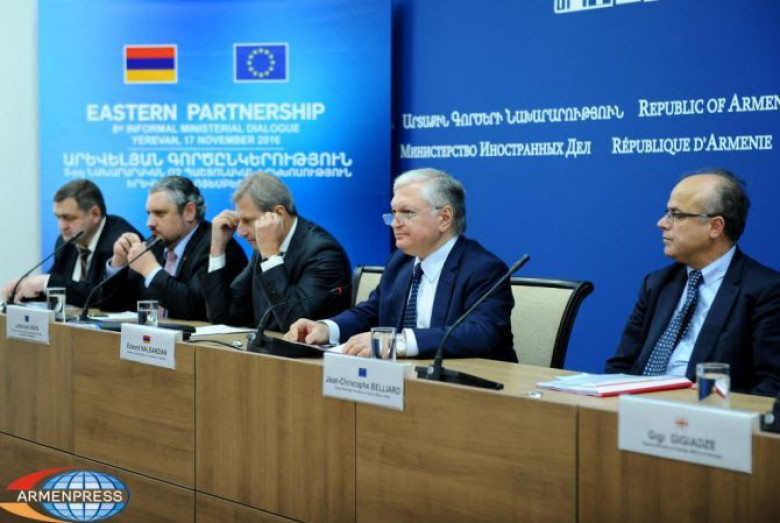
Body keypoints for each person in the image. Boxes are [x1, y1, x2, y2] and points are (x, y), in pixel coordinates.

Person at [287, 168, 516, 362]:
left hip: (471, 386)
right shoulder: (401, 261)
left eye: (407, 212)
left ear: (445, 218)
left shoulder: (483, 269)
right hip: (402, 380)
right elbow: (371, 313)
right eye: (393, 212)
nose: (395, 223)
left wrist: (398, 343)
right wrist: (327, 328)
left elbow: (482, 333)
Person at [605, 168, 780, 397]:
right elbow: (620, 366)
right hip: (640, 408)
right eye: (667, 213)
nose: (661, 223)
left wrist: (720, 396)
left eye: (676, 215)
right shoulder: (656, 284)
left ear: (715, 227)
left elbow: (774, 384)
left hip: (705, 413)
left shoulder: (765, 290)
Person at [200, 171, 352, 330]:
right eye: (239, 221)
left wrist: (271, 256)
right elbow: (223, 317)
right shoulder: (262, 250)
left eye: (248, 220)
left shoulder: (324, 253)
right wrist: (217, 247)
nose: (240, 232)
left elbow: (294, 324)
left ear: (278, 214)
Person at [100, 176, 246, 320]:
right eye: (149, 213)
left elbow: (195, 309)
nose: (149, 223)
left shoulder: (218, 246)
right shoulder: (154, 245)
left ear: (189, 212)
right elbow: (111, 306)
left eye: (160, 213)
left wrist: (151, 270)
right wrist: (118, 265)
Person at [2, 179, 140, 307]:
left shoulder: (120, 243)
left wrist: (46, 282)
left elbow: (101, 296)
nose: (62, 226)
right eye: (58, 218)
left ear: (95, 214)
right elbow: (56, 288)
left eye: (68, 218)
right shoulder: (65, 243)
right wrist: (22, 290)